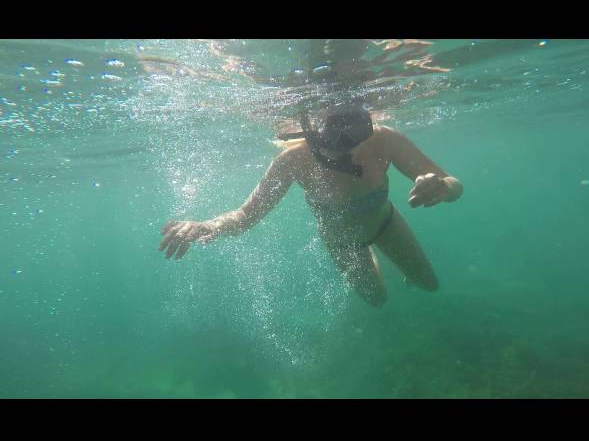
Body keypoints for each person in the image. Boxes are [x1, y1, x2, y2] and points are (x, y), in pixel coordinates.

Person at [159, 104, 463, 307]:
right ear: (313, 134)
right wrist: (207, 226)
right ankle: (373, 258)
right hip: (341, 243)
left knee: (429, 285)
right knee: (377, 302)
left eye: (357, 137)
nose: (351, 152)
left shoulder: (384, 140)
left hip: (386, 226)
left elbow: (453, 184)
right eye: (337, 141)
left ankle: (402, 269)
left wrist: (442, 188)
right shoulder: (293, 161)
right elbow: (245, 216)